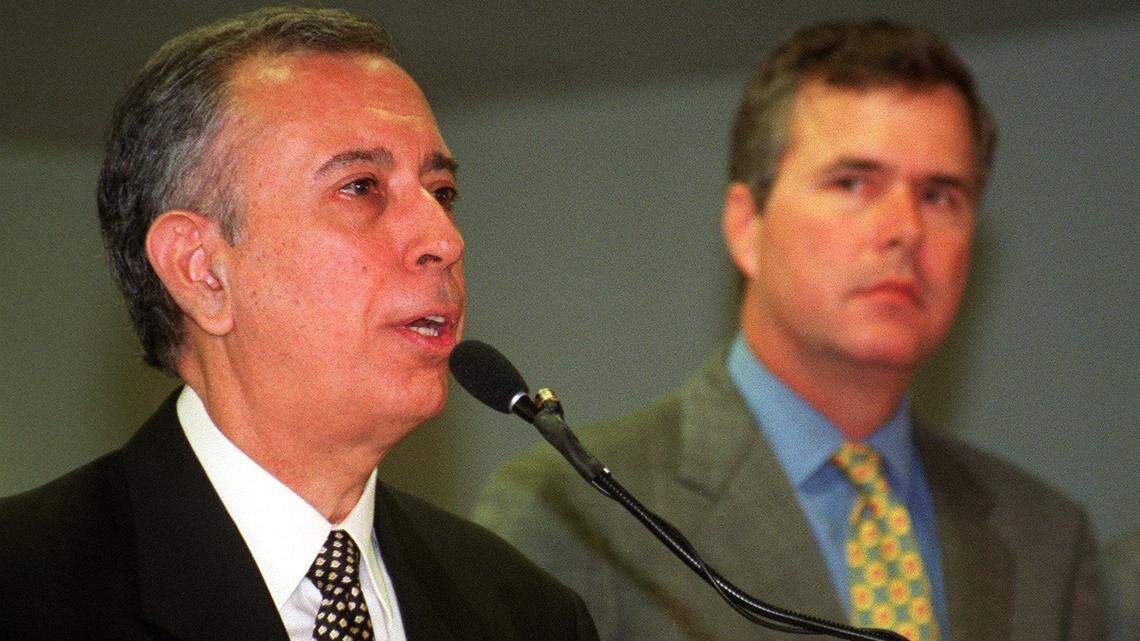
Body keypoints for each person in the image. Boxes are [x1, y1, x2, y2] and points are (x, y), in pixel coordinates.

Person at [474, 19, 1101, 641]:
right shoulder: (570, 509)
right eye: (853, 183)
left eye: (941, 196)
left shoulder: (1046, 540)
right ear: (747, 226)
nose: (906, 229)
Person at [0, 7, 597, 641]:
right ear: (202, 272)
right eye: (361, 187)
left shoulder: (529, 615)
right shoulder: (27, 588)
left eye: (441, 191)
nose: (444, 239)